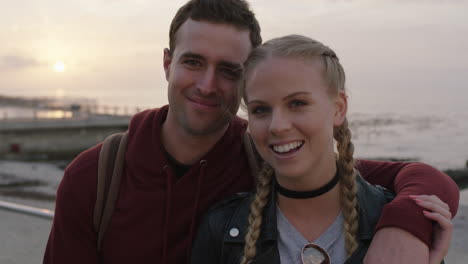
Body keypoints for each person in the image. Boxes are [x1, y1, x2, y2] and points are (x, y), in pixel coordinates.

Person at [43, 0, 459, 263]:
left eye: (229, 71)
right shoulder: (97, 175)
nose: (207, 85)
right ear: (167, 63)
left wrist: (402, 227)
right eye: (193, 62)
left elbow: (416, 178)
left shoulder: (267, 150)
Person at [190, 35, 454, 264]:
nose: (277, 126)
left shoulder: (398, 226)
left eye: (297, 103)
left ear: (339, 108)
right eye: (260, 110)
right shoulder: (222, 228)